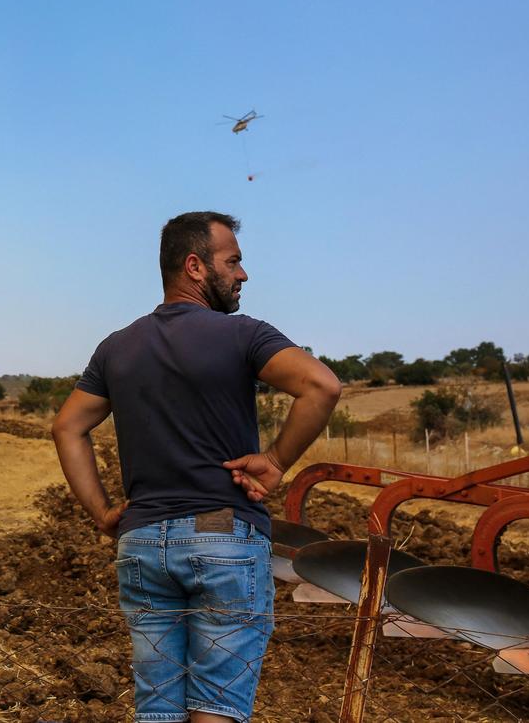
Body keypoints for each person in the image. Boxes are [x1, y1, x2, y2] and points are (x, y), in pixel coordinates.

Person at [51, 212, 340, 723]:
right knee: (216, 709)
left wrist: (101, 511)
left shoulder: (116, 348)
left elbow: (67, 427)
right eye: (233, 262)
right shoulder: (244, 335)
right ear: (195, 266)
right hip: (221, 532)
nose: (243, 275)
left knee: (158, 710)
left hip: (142, 544)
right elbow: (321, 386)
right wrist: (274, 460)